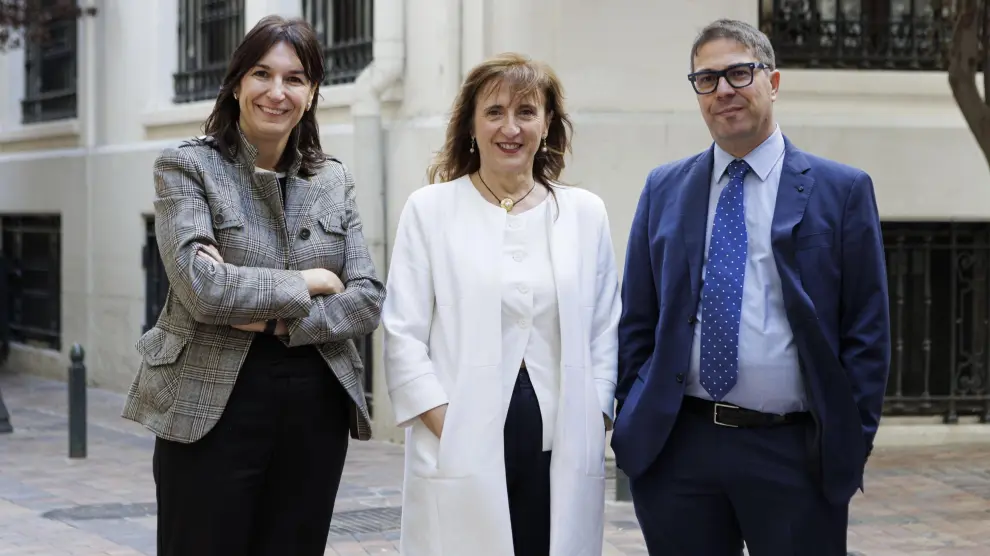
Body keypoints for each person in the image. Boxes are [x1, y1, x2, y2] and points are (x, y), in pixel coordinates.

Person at [611, 19, 890, 556]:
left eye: (740, 73)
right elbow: (638, 320)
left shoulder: (842, 190)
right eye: (707, 79)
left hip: (792, 451)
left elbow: (867, 329)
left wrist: (847, 441)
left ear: (774, 82)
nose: (724, 91)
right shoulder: (664, 188)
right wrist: (636, 415)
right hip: (679, 450)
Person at [121, 15, 385, 556]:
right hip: (210, 402)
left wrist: (270, 317)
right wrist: (309, 281)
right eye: (262, 74)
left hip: (316, 403)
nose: (276, 91)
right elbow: (203, 290)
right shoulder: (187, 167)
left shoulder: (332, 179)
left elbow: (366, 299)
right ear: (238, 82)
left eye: (294, 79)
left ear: (311, 94)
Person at [381, 52, 621, 556]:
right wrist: (451, 425)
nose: (510, 128)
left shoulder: (584, 214)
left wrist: (595, 414)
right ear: (471, 124)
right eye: (494, 112)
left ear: (548, 124)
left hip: (560, 442)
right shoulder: (431, 210)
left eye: (526, 112)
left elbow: (605, 328)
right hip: (458, 440)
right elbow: (403, 334)